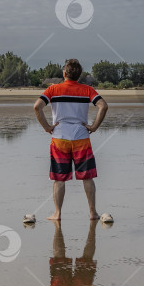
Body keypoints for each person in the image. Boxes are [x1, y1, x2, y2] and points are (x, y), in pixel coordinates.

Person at [33, 59, 109, 221]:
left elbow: (37, 106)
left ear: (64, 73)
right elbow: (103, 105)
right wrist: (94, 126)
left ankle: (57, 214)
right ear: (79, 75)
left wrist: (47, 127)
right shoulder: (87, 89)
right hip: (81, 137)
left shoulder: (53, 89)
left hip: (60, 138)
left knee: (59, 178)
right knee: (87, 176)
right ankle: (92, 213)